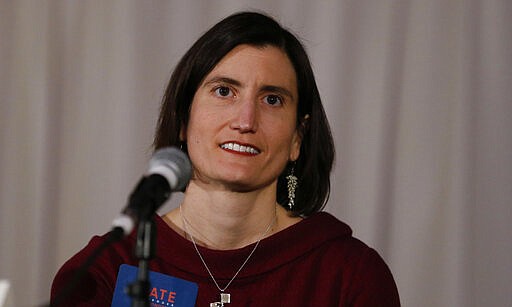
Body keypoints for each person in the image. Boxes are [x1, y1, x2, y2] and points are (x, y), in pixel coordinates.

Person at [51, 11, 400, 306]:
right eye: (224, 91)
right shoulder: (106, 271)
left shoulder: (350, 277)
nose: (245, 121)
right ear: (184, 120)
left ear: (298, 138)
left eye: (272, 99)